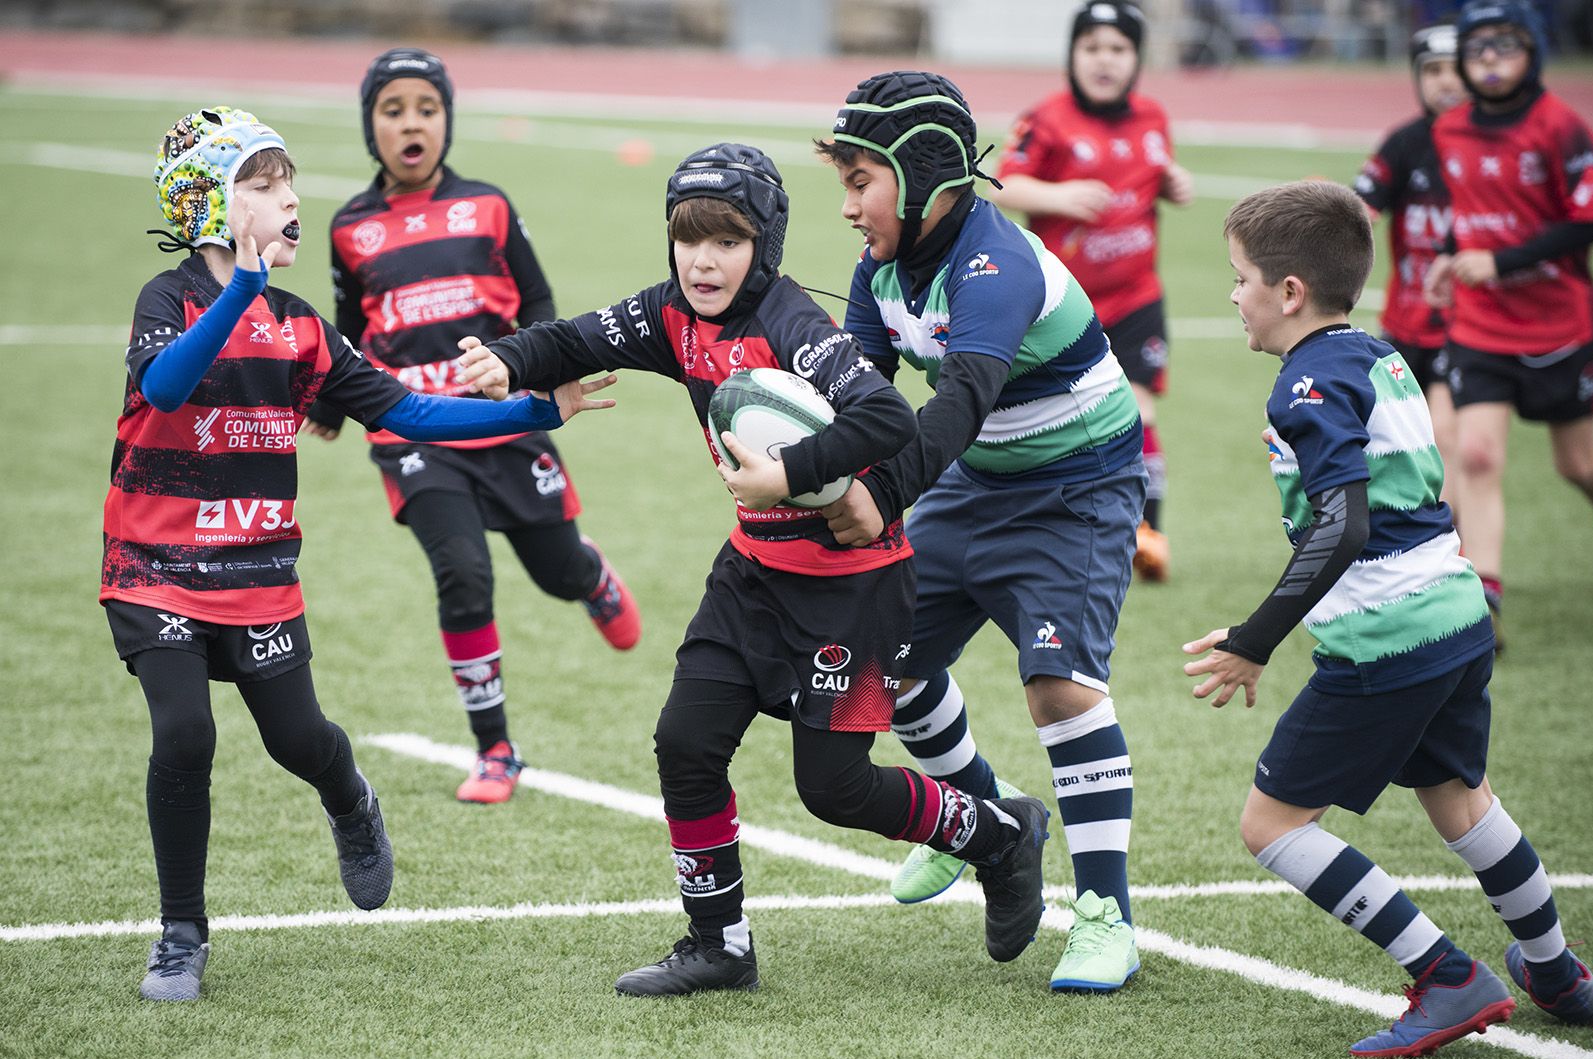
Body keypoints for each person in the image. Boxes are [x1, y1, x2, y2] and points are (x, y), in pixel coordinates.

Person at [456, 143, 1052, 997]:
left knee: (835, 789)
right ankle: (719, 944)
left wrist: (792, 472)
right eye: (687, 239)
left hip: (853, 585)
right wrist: (511, 358)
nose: (703, 260)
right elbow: (576, 336)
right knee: (684, 743)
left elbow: (884, 415)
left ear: (763, 247)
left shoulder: (791, 325)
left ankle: (998, 834)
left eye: (727, 242)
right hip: (752, 575)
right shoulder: (671, 315)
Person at [111, 106, 615, 1001]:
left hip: (258, 571)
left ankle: (350, 799)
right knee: (183, 734)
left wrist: (543, 409)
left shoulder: (304, 327)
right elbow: (164, 385)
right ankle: (181, 934)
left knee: (300, 741)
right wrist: (240, 289)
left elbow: (408, 412)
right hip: (154, 568)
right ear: (209, 207)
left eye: (290, 182)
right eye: (264, 187)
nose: (291, 200)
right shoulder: (171, 297)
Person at [1183, 179, 1593, 1057]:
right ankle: (1555, 969)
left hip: (1388, 639)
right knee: (1460, 801)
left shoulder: (1303, 385)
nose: (1233, 297)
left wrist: (1254, 642)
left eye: (1240, 278)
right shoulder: (1378, 351)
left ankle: (1447, 976)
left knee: (1271, 825)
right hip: (1455, 617)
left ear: (1289, 291)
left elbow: (1343, 521)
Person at [816, 71, 1146, 993]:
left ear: (923, 177)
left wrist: (879, 497)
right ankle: (989, 820)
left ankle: (1107, 916)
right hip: (978, 481)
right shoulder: (880, 268)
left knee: (1059, 689)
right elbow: (859, 395)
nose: (847, 208)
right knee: (888, 661)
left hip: (1076, 492)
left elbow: (959, 400)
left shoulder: (994, 266)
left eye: (860, 183)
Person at [302, 48, 640, 805]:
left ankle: (589, 575)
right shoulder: (352, 226)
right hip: (412, 433)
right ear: (371, 127)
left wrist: (540, 369)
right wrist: (328, 402)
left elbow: (541, 300)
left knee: (554, 573)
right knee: (463, 572)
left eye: (426, 106)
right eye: (393, 110)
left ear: (446, 119)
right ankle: (496, 750)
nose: (411, 122)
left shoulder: (487, 205)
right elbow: (348, 323)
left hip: (505, 421)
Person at [990, 1, 1193, 582]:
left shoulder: (1153, 118)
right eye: (1092, 48)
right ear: (1072, 55)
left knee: (1138, 406)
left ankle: (1145, 533)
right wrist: (1058, 197)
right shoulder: (1047, 121)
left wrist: (1177, 183)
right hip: (1064, 303)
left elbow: (1153, 178)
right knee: (1056, 414)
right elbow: (1002, 183)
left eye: (1119, 49)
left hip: (1135, 295)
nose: (1105, 61)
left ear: (1137, 58)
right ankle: (1043, 523)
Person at [1423, 0, 1593, 651]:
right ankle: (1482, 602)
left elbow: (1589, 219)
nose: (1490, 60)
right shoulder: (1452, 129)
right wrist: (1449, 257)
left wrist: (1499, 261)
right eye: (1478, 49)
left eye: (1505, 45)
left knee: (1579, 464)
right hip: (1481, 326)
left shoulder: (1562, 127)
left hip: (1560, 326)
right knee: (1474, 454)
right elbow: (1468, 212)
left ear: (1533, 51)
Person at [1353, 23, 1466, 509]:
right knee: (1390, 440)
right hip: (1405, 324)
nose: (1446, 81)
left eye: (1457, 69)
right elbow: (1362, 207)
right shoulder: (1404, 143)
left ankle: (1454, 553)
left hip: (1465, 327)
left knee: (1440, 436)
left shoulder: (1491, 148)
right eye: (1433, 70)